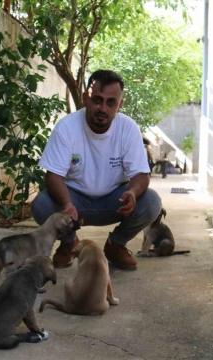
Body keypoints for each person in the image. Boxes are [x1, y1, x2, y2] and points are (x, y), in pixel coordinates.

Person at [31, 70, 162, 271]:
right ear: (85, 99)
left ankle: (116, 245)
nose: (103, 108)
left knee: (151, 202)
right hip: (74, 202)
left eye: (111, 102)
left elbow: (141, 175)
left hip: (114, 201)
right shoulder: (67, 127)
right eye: (97, 100)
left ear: (120, 105)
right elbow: (53, 176)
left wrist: (133, 193)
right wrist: (67, 203)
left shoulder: (128, 128)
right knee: (41, 205)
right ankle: (69, 242)